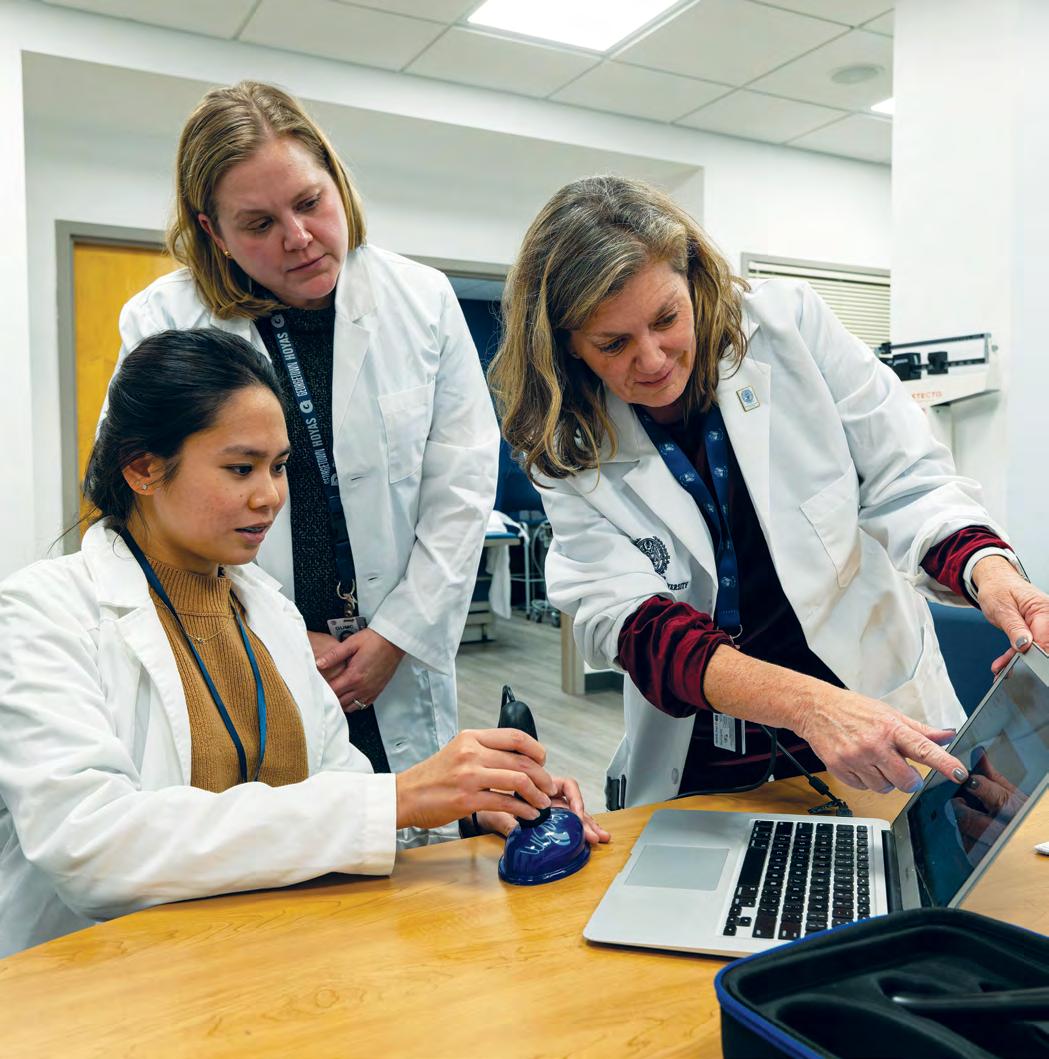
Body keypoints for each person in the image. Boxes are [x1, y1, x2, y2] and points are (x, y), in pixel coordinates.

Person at [0, 329, 606, 958]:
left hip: (284, 965)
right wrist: (399, 798)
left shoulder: (269, 613)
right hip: (114, 983)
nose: (270, 496)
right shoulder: (43, 614)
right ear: (143, 468)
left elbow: (336, 804)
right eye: (241, 468)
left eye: (279, 466)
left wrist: (464, 808)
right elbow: (92, 847)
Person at [489, 175, 1049, 809]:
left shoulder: (790, 329)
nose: (652, 359)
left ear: (693, 279)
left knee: (912, 864)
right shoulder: (566, 435)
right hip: (708, 746)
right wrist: (808, 706)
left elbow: (908, 480)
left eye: (667, 319)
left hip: (876, 715)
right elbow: (627, 620)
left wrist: (991, 575)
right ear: (567, 347)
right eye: (613, 344)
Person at [109, 81, 499, 807]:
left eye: (310, 202)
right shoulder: (162, 322)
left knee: (407, 832)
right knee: (278, 835)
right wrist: (278, 636)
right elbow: (146, 509)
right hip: (242, 646)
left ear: (336, 182)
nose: (298, 237)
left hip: (394, 657)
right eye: (258, 223)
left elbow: (462, 491)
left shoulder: (422, 301)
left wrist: (396, 636)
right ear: (213, 231)